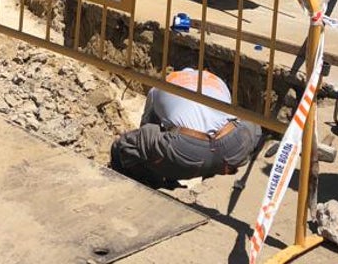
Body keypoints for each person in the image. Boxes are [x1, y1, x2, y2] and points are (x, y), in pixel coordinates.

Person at [110, 67, 261, 186]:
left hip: (186, 154)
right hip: (232, 150)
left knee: (124, 146)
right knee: (252, 125)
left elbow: (147, 126)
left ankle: (155, 183)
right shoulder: (216, 81)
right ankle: (217, 170)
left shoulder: (158, 88)